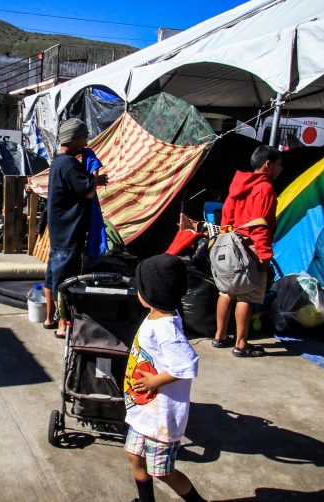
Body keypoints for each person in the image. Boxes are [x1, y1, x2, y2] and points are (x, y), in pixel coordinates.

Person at [124, 254, 206, 502]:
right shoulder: (156, 315)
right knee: (134, 457)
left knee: (162, 471)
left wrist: (153, 382)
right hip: (145, 412)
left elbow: (187, 365)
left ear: (152, 294)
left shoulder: (166, 327)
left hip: (161, 416)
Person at [213, 146, 283, 358]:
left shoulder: (238, 185)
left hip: (230, 243)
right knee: (247, 295)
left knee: (226, 291)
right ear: (267, 164)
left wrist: (226, 240)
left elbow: (226, 215)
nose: (281, 169)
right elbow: (260, 225)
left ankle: (220, 336)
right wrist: (264, 255)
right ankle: (241, 345)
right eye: (280, 165)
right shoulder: (264, 189)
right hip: (251, 246)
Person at [43, 118, 108, 337]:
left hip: (59, 230)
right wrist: (97, 175)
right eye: (84, 137)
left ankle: (48, 317)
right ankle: (63, 325)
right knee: (65, 280)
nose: (86, 142)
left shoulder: (58, 162)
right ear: (75, 139)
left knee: (52, 275)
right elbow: (88, 191)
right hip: (69, 231)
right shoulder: (70, 164)